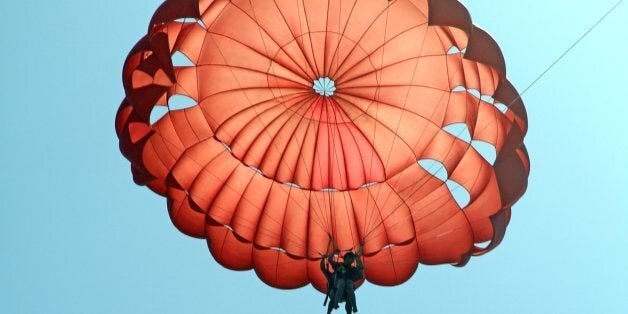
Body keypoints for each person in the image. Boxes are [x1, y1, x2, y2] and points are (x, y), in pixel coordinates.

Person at [321, 246, 364, 314]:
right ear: (345, 258)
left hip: (347, 292)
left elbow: (360, 271)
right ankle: (330, 309)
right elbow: (328, 261)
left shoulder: (352, 270)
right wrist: (334, 252)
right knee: (338, 288)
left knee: (348, 285)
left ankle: (353, 307)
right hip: (335, 290)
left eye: (352, 259)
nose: (351, 260)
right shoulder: (338, 267)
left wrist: (357, 258)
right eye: (350, 258)